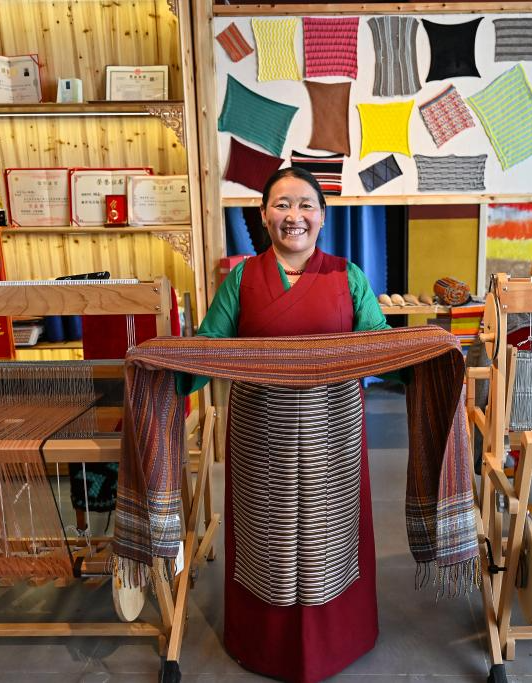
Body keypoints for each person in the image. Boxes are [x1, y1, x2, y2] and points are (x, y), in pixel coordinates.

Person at [182, 167, 389, 682]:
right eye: (281, 205)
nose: (293, 216)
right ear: (263, 215)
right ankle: (265, 645)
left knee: (330, 541)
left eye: (305, 205)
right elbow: (210, 345)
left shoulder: (347, 276)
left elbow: (379, 343)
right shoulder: (242, 279)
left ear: (322, 215)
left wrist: (430, 358)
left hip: (332, 435)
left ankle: (337, 641)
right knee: (265, 541)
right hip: (261, 436)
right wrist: (165, 373)